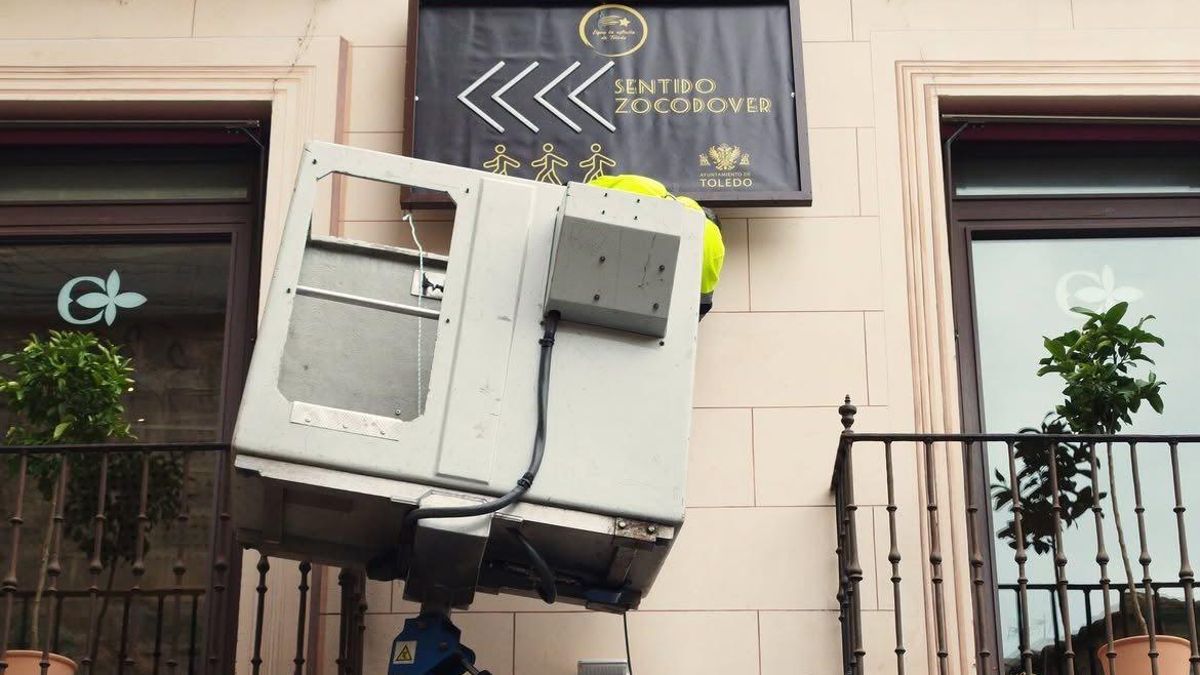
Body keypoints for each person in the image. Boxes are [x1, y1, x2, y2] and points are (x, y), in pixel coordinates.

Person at [587, 174, 725, 319]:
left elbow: (582, 190)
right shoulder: (713, 240)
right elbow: (702, 300)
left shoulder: (650, 187)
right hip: (645, 303)